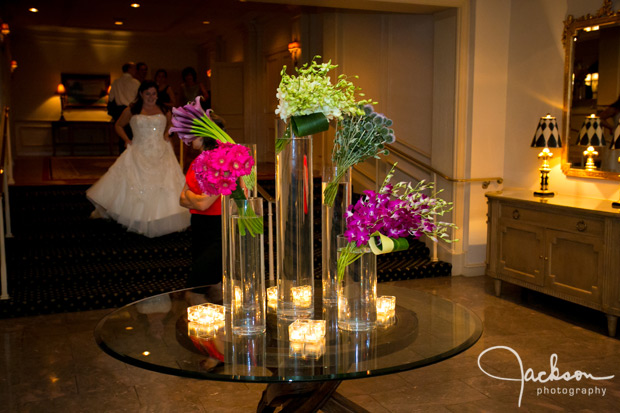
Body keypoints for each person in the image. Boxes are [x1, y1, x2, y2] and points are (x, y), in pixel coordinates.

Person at [87, 81, 190, 238]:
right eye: (147, 93)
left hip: (161, 151)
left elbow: (171, 124)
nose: (151, 97)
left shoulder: (163, 109)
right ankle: (135, 219)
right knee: (133, 184)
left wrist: (166, 134)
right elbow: (118, 125)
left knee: (165, 185)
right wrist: (127, 140)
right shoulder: (132, 109)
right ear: (141, 94)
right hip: (138, 150)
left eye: (154, 93)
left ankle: (160, 220)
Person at [179, 115, 226, 288]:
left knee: (196, 287)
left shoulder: (222, 163)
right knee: (206, 287)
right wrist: (194, 198)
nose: (190, 137)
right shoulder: (196, 162)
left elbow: (203, 204)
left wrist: (191, 195)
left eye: (194, 133)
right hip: (199, 226)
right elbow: (181, 199)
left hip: (217, 228)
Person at [108, 62, 140, 152]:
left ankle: (123, 155)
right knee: (132, 135)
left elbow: (111, 98)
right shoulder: (135, 82)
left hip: (120, 110)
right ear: (129, 69)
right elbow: (139, 98)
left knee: (122, 137)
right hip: (132, 111)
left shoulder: (116, 82)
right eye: (134, 68)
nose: (135, 71)